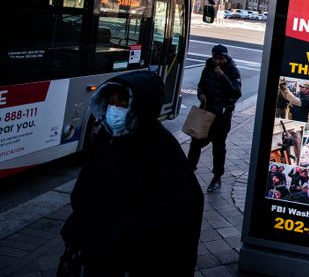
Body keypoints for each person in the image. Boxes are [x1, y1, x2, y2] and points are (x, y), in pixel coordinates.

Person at [60, 71, 203, 276]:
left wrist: (121, 233)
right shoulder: (107, 137)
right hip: (97, 252)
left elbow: (175, 210)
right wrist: (81, 226)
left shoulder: (162, 149)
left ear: (140, 107)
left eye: (122, 104)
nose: (113, 109)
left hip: (135, 257)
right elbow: (85, 187)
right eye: (111, 102)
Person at [188, 44, 242, 192]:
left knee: (218, 147)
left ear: (225, 58)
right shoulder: (208, 67)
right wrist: (201, 95)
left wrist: (223, 77)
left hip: (221, 116)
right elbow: (201, 86)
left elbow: (236, 93)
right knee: (195, 142)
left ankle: (217, 177)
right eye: (215, 58)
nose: (217, 61)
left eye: (220, 58)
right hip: (205, 111)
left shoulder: (232, 71)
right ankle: (189, 170)